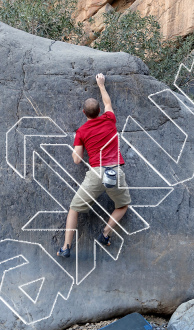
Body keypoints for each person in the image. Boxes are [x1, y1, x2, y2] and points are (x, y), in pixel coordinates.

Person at [57, 73, 131, 258]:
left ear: (84, 113)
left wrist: (76, 145)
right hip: (114, 171)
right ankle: (105, 234)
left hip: (96, 174)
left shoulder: (81, 131)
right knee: (122, 205)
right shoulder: (109, 119)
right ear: (99, 111)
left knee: (74, 209)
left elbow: (76, 160)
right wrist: (101, 85)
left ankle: (66, 247)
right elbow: (108, 103)